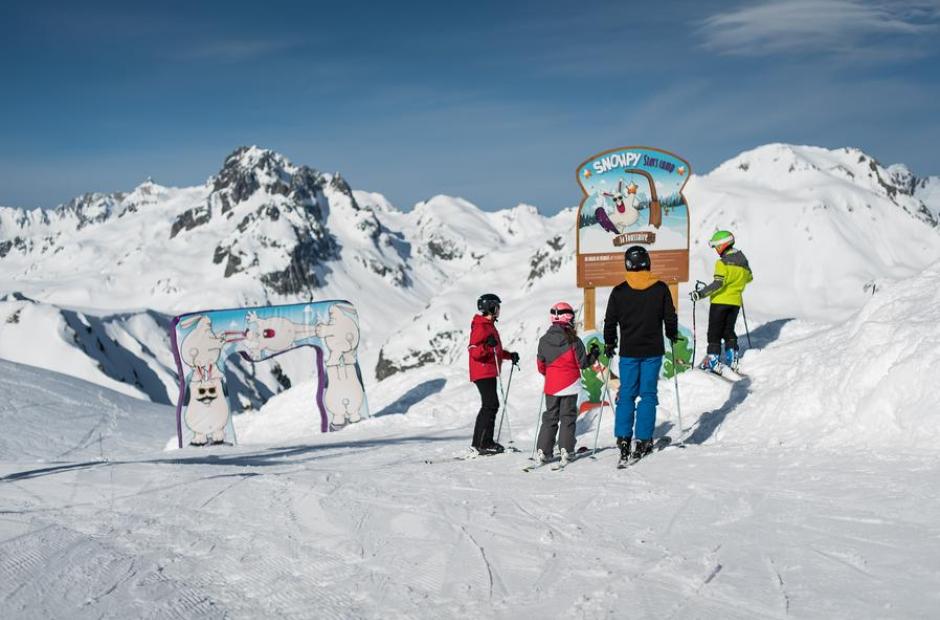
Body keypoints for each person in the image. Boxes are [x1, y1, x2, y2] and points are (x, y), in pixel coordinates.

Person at [603, 246, 680, 465]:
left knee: (626, 394)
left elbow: (610, 321)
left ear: (627, 264)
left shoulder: (619, 291)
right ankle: (644, 440)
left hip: (629, 352)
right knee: (647, 394)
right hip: (652, 351)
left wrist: (610, 342)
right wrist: (672, 334)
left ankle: (624, 439)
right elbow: (669, 316)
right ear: (648, 262)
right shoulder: (660, 288)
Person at [535, 302, 599, 465]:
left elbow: (541, 365)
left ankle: (543, 451)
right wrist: (593, 354)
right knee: (567, 417)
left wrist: (550, 376)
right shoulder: (573, 340)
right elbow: (583, 363)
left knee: (550, 417)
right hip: (569, 384)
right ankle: (567, 449)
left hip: (551, 385)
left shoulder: (543, 340)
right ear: (568, 318)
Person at [690, 230, 753, 373]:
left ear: (724, 244)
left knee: (714, 332)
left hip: (720, 302)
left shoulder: (722, 263)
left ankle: (713, 360)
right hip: (735, 302)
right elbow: (749, 278)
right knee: (728, 330)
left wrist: (700, 294)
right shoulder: (743, 262)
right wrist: (736, 283)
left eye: (717, 246)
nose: (716, 250)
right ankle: (732, 358)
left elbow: (718, 284)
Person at [467, 293, 519, 455]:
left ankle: (484, 441)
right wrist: (488, 347)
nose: (499, 309)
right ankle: (481, 443)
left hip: (488, 370)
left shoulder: (489, 325)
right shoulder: (481, 325)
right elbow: (473, 350)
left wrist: (509, 355)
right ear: (491, 306)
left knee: (492, 405)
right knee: (490, 405)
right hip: (482, 371)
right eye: (497, 306)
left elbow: (494, 349)